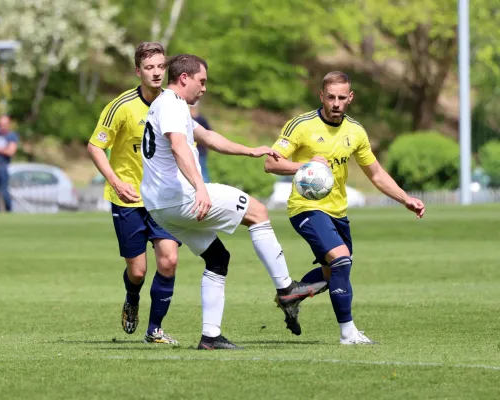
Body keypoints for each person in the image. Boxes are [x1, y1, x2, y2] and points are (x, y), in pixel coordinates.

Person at [140, 54, 327, 350]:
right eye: (202, 81)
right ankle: (287, 288)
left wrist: (250, 151)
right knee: (259, 212)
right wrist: (200, 189)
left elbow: (209, 138)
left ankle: (210, 337)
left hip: (160, 209)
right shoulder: (172, 105)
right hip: (182, 198)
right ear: (185, 78)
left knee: (217, 260)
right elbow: (179, 147)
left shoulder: (165, 106)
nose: (204, 88)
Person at [265, 71, 426, 345]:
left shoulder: (356, 132)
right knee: (341, 259)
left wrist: (405, 198)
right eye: (331, 97)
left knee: (335, 272)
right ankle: (348, 333)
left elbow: (375, 174)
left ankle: (291, 295)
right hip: (306, 207)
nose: (336, 103)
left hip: (338, 211)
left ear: (350, 98)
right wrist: (306, 166)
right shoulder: (301, 125)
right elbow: (271, 163)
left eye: (342, 97)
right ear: (321, 96)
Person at [87, 42, 181, 345]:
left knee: (168, 261)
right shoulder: (121, 106)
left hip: (163, 199)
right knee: (138, 271)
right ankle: (131, 297)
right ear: (137, 71)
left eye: (161, 66)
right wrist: (115, 182)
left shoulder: (175, 102)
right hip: (128, 199)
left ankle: (154, 330)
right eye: (150, 67)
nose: (156, 73)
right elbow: (95, 146)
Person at [189, 102, 211, 182]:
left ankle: (206, 187)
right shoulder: (188, 118)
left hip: (200, 150)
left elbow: (208, 133)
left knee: (202, 169)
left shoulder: (201, 120)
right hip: (191, 150)